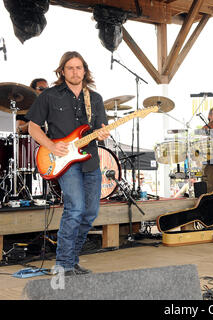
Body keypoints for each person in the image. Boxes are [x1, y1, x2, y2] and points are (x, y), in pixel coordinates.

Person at [26, 51, 110, 276]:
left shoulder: (95, 98)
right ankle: (62, 264)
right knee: (75, 209)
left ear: (85, 71)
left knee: (90, 213)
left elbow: (101, 129)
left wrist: (103, 134)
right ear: (62, 71)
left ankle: (72, 260)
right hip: (64, 160)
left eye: (79, 67)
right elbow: (33, 127)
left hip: (90, 159)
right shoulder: (50, 96)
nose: (75, 72)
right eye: (70, 68)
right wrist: (51, 146)